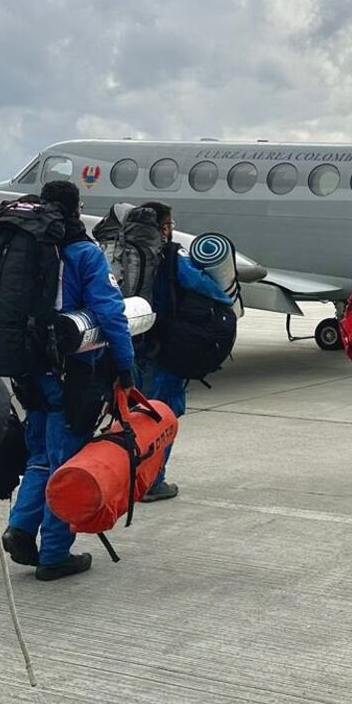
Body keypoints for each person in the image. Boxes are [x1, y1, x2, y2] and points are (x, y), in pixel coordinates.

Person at [0, 180, 136, 581]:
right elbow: (111, 313)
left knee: (41, 456)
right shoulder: (82, 252)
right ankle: (55, 555)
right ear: (77, 208)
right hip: (72, 373)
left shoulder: (24, 246)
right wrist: (126, 367)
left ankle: (22, 528)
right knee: (68, 463)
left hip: (27, 368)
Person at [130, 201, 234, 502]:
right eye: (170, 224)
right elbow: (215, 292)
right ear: (163, 228)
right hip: (167, 347)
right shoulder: (173, 260)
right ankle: (152, 482)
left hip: (135, 346)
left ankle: (130, 476)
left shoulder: (126, 256)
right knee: (163, 416)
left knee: (137, 415)